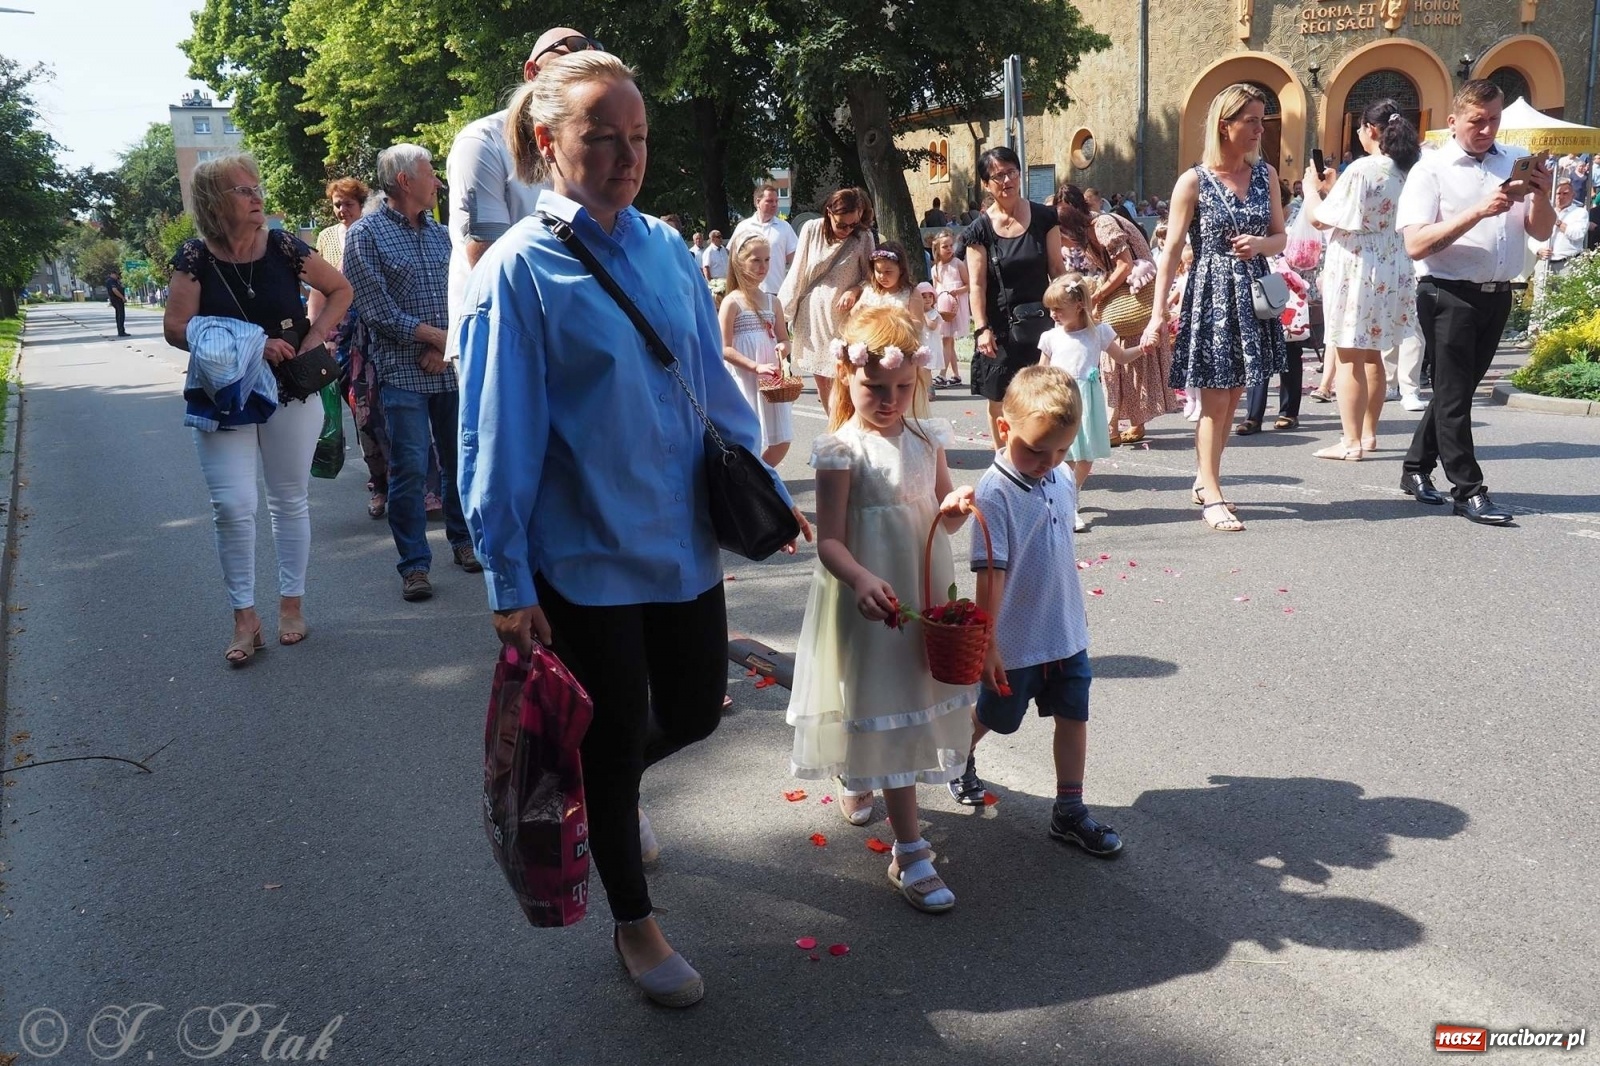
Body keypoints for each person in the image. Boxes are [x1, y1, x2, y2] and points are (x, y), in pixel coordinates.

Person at [456, 51, 807, 1008]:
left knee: (693, 709)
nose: (625, 155)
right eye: (601, 137)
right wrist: (508, 580)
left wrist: (763, 494)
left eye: (638, 136)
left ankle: (604, 788)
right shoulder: (520, 275)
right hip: (585, 560)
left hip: (680, 539)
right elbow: (499, 437)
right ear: (546, 142)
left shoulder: (661, 246)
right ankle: (635, 923)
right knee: (612, 740)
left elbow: (707, 383)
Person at [786, 303, 975, 913]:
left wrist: (954, 511)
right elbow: (831, 538)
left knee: (909, 700)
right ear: (847, 377)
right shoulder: (841, 450)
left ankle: (861, 775)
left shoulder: (927, 439)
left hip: (920, 594)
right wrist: (861, 578)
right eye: (875, 387)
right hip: (871, 596)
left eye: (901, 387)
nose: (889, 399)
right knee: (884, 701)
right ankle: (910, 850)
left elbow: (943, 516)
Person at [162, 152, 352, 663]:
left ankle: (292, 603)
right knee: (232, 505)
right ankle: (244, 616)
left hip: (290, 388)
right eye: (243, 191)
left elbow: (339, 289)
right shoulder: (194, 258)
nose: (257, 198)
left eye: (256, 188)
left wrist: (312, 339)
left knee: (288, 500)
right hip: (224, 395)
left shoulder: (285, 246)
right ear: (213, 203)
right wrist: (250, 344)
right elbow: (176, 328)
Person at [947, 364, 1123, 855]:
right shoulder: (995, 491)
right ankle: (956, 757)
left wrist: (1073, 615)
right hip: (1015, 643)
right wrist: (987, 644)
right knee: (992, 715)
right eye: (1036, 449)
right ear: (1004, 428)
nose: (1049, 462)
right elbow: (991, 576)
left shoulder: (1062, 476)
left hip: (1064, 631)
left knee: (1074, 715)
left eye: (1062, 450)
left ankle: (1070, 810)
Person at [1396, 79, 1554, 524]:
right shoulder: (1430, 169)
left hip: (1497, 294)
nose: (1487, 129)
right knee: (1453, 397)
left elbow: (1541, 231)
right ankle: (1468, 490)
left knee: (1456, 392)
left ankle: (1414, 469)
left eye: (1494, 120)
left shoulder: (1511, 161)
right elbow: (1416, 244)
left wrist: (1540, 195)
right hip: (1446, 293)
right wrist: (1478, 212)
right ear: (1452, 122)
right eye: (1476, 121)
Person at [1143, 83, 1288, 532]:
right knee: (1214, 399)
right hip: (1212, 295)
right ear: (1224, 125)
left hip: (1254, 294)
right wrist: (1157, 311)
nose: (1259, 130)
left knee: (1235, 397)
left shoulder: (1266, 177)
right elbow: (1169, 252)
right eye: (1251, 120)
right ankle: (1212, 493)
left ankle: (1206, 479)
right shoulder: (1194, 180)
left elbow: (1282, 236)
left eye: (1261, 120)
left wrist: (1260, 243)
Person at [343, 144, 480, 600]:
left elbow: (465, 297)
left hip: (447, 369)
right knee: (409, 469)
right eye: (430, 173)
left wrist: (445, 346)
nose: (438, 182)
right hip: (402, 373)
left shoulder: (445, 236)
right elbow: (377, 310)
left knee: (461, 460)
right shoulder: (365, 235)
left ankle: (463, 543)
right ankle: (414, 566)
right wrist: (437, 339)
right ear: (404, 181)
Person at [445, 27, 598, 361]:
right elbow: (488, 262)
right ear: (532, 72)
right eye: (567, 55)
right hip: (500, 337)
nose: (579, 69)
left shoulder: (582, 147)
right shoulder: (482, 143)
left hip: (570, 332)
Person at [1300, 99, 1421, 460]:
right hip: (1392, 261)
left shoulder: (1363, 169)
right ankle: (1368, 435)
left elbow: (1321, 219)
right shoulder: (1408, 168)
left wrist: (1311, 189)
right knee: (1373, 355)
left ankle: (1350, 441)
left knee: (1349, 354)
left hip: (1358, 264)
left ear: (1370, 130)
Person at [1058, 183, 1173, 447]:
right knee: (1124, 362)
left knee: (1111, 360)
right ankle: (1132, 422)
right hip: (1128, 295)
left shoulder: (1103, 226)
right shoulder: (1093, 229)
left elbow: (1125, 265)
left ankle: (1112, 425)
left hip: (1133, 295)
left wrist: (1096, 296)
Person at [965, 146, 1065, 445]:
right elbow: (977, 284)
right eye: (997, 176)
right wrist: (981, 328)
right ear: (986, 184)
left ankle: (1037, 452)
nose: (1006, 181)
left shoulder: (1045, 217)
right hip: (999, 326)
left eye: (1011, 172)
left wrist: (1069, 314)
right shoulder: (979, 230)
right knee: (999, 399)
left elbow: (1057, 269)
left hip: (1041, 322)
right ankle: (1003, 458)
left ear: (1020, 174)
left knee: (1041, 395)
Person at [1036, 274, 1150, 531]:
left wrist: (1142, 349)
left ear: (1078, 305)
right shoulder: (1051, 337)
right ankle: (1063, 499)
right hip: (1059, 399)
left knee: (1085, 455)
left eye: (1058, 309)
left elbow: (1120, 357)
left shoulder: (1098, 332)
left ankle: (1071, 494)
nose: (1053, 314)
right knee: (1063, 454)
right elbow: (1041, 371)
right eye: (1050, 309)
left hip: (1087, 400)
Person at [310, 177, 390, 518]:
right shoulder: (327, 237)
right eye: (337, 205)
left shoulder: (376, 230)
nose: (342, 210)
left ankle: (415, 484)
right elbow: (318, 289)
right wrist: (321, 335)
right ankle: (379, 486)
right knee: (363, 414)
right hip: (343, 339)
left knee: (393, 412)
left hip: (380, 333)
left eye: (348, 204)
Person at [778, 186, 875, 413]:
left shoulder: (863, 236)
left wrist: (854, 290)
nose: (847, 229)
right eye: (842, 224)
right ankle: (835, 427)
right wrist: (780, 313)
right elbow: (798, 271)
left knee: (846, 374)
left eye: (853, 224)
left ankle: (852, 425)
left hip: (844, 318)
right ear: (829, 212)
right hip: (812, 316)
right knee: (822, 377)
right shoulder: (811, 230)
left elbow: (871, 278)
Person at [719, 232, 794, 466]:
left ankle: (758, 477)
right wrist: (755, 366)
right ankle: (750, 483)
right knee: (749, 436)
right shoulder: (732, 301)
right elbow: (725, 348)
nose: (763, 266)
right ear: (740, 262)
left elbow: (784, 338)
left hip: (770, 380)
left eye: (767, 260)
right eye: (756, 260)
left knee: (781, 440)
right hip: (745, 377)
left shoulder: (774, 301)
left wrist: (783, 346)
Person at [731, 183, 797, 296]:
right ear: (758, 202)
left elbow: (796, 260)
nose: (774, 205)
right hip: (748, 292)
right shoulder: (743, 227)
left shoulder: (784, 227)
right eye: (770, 201)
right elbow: (733, 260)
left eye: (776, 201)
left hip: (776, 292)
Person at [929, 231, 970, 386]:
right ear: (937, 249)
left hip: (955, 306)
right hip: (942, 307)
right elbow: (934, 289)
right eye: (945, 246)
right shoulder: (936, 269)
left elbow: (969, 285)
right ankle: (956, 375)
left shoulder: (958, 264)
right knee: (948, 340)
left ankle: (942, 374)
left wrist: (956, 291)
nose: (949, 249)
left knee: (947, 339)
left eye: (951, 245)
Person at [700, 229, 729, 298]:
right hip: (717, 283)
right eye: (718, 237)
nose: (721, 238)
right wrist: (711, 283)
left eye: (721, 236)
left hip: (726, 281)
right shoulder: (709, 252)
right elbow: (706, 268)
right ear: (712, 239)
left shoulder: (723, 249)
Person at [106, 267, 128, 336]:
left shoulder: (114, 281)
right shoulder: (111, 281)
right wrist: (122, 297)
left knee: (120, 315)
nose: (118, 276)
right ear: (113, 274)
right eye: (117, 275)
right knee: (120, 316)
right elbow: (114, 290)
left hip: (117, 300)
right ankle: (121, 331)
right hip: (117, 300)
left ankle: (121, 330)